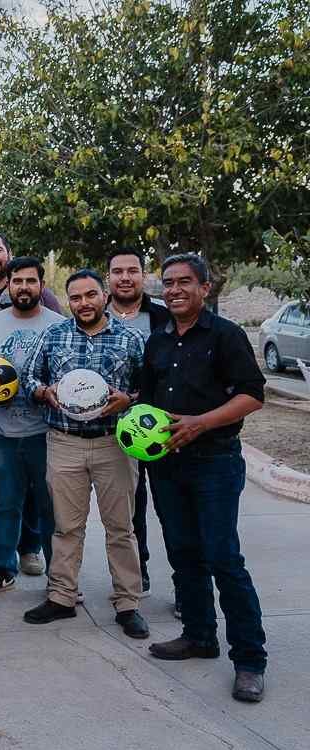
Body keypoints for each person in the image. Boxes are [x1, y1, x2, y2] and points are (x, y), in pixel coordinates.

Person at [141, 253, 268, 703]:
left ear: (205, 288)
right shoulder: (158, 340)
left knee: (223, 558)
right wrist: (126, 403)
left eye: (184, 282)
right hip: (167, 464)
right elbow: (147, 398)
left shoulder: (226, 335)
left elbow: (253, 395)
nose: (174, 290)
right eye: (168, 283)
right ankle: (198, 635)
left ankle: (250, 660)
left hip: (214, 461)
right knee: (183, 553)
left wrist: (202, 422)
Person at [21, 269, 149, 639]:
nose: (83, 303)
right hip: (65, 442)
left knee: (121, 527)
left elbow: (149, 387)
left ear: (104, 295)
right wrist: (44, 392)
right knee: (66, 526)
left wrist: (130, 399)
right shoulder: (54, 334)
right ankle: (62, 596)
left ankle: (127, 603)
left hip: (114, 444)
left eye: (90, 294)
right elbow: (29, 378)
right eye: (75, 297)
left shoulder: (130, 338)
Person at [0, 232, 62, 566]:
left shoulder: (58, 325)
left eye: (30, 281)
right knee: (5, 501)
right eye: (17, 281)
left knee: (47, 503)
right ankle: (3, 565)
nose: (23, 287)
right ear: (9, 285)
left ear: (41, 286)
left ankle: (53, 570)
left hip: (44, 431)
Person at [107, 248, 171, 599]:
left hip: (163, 429)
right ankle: (138, 572)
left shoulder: (163, 316)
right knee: (130, 509)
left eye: (132, 270)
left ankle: (186, 586)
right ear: (109, 278)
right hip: (115, 432)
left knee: (172, 510)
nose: (125, 277)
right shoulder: (95, 314)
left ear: (143, 275)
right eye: (118, 271)